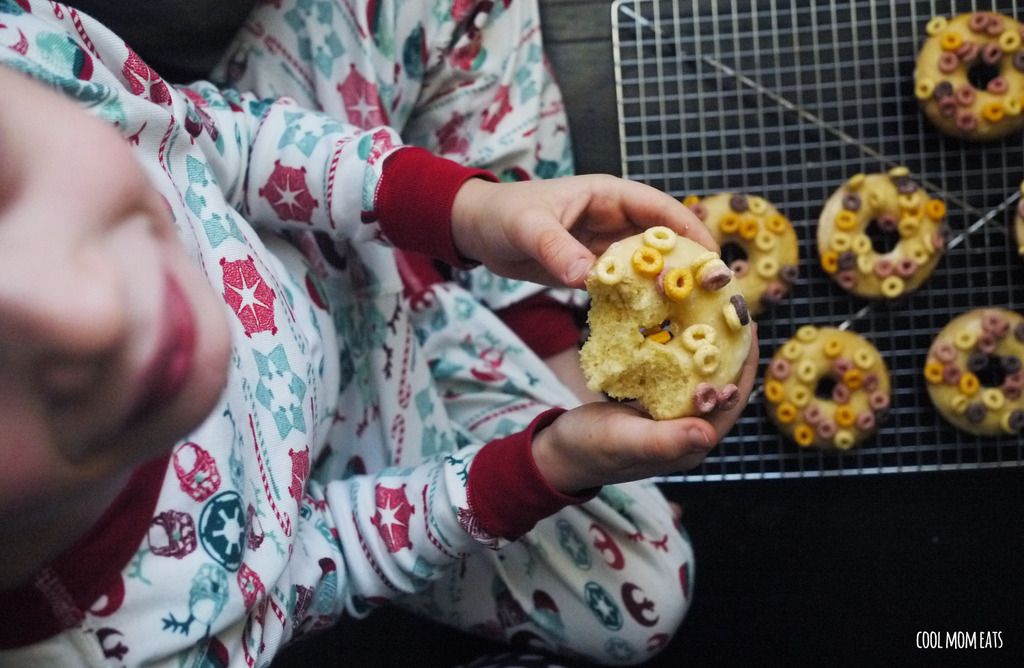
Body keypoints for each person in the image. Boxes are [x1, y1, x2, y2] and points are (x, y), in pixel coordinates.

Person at [0, 1, 757, 666]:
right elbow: (333, 555)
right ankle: (483, 314)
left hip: (300, 212)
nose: (91, 314)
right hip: (355, 447)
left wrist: (466, 214)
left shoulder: (23, 53)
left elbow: (218, 143)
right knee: (640, 598)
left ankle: (516, 303)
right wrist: (551, 461)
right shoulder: (139, 644)